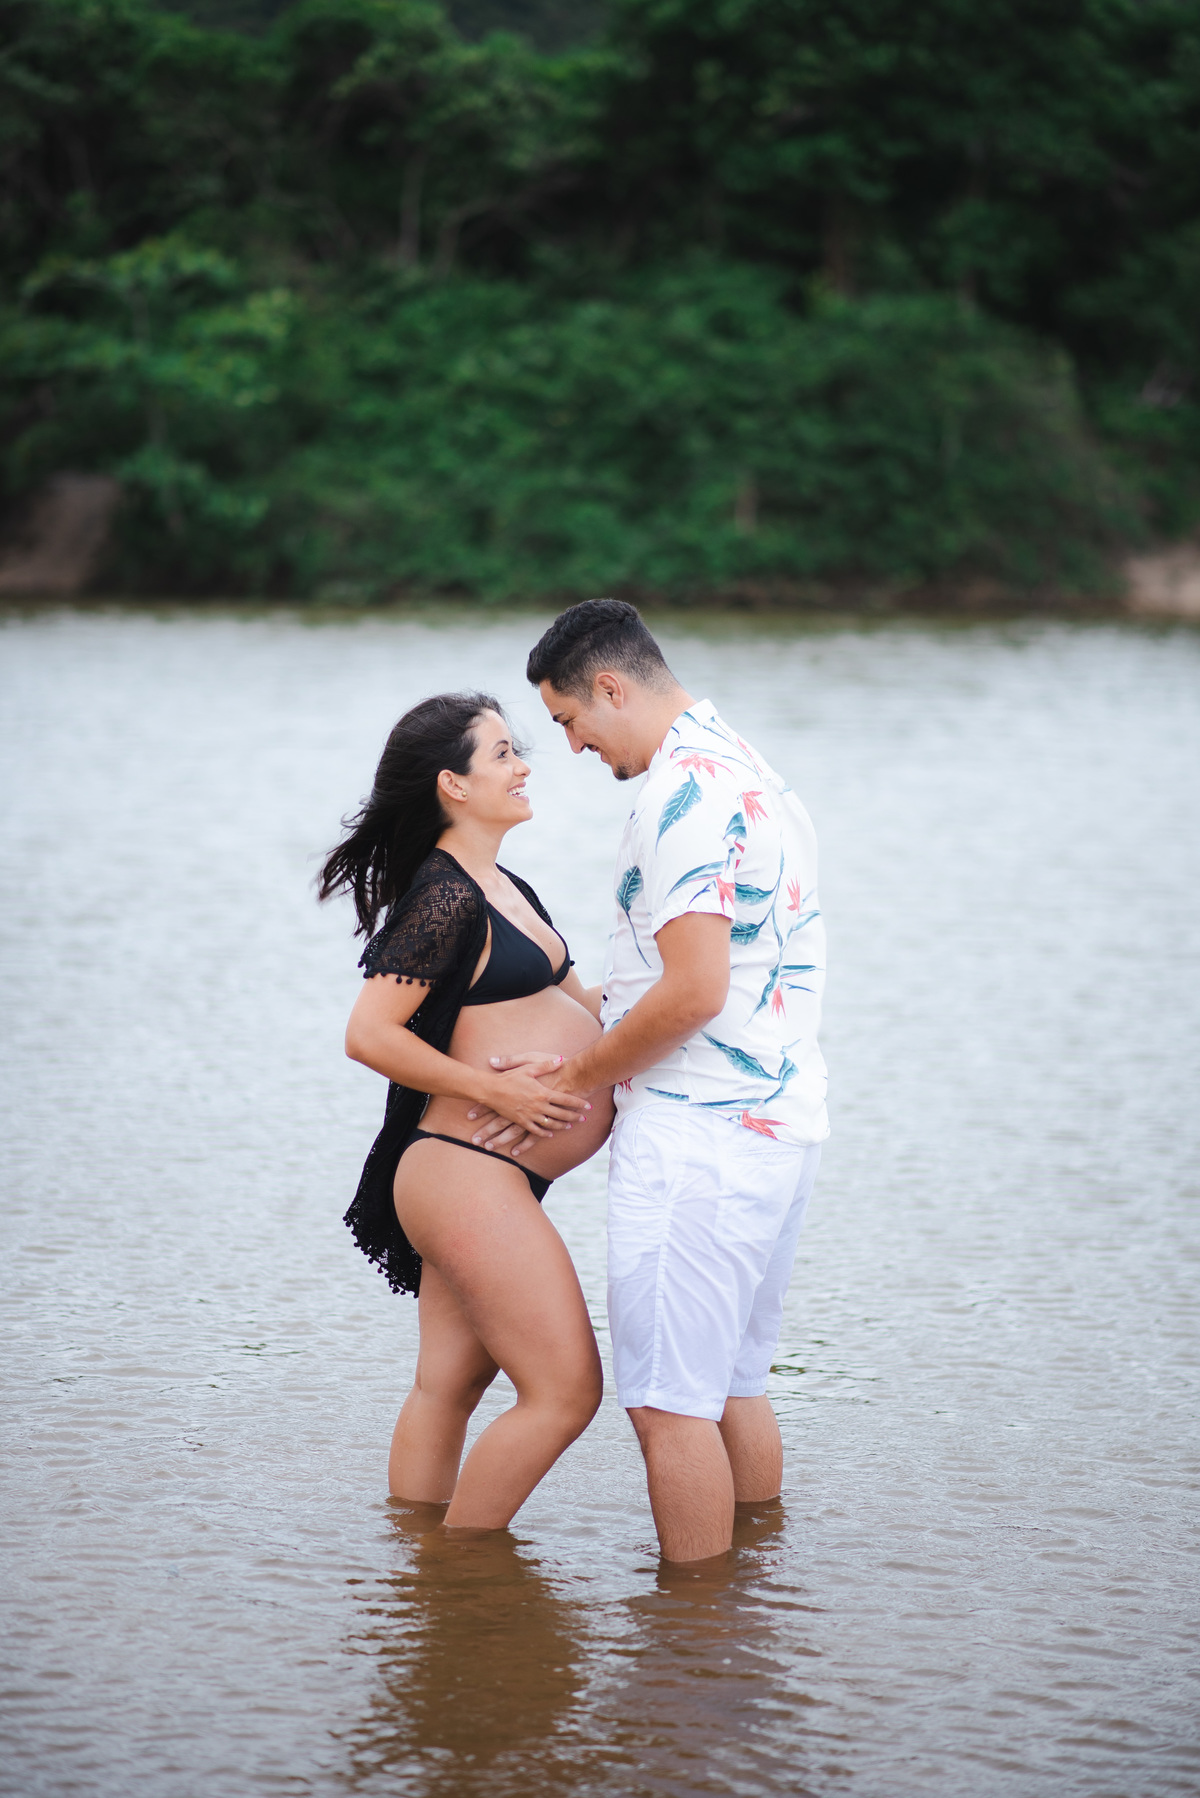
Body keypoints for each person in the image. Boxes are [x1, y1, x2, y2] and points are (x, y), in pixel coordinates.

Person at [469, 603, 828, 1563]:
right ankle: (748, 1613)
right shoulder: (749, 769)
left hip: (702, 1138)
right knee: (733, 1386)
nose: (573, 747)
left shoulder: (683, 796)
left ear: (612, 688)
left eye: (569, 721)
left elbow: (695, 990)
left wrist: (579, 1078)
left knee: (670, 1411)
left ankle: (691, 1668)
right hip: (777, 1123)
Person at [318, 692, 613, 1529]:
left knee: (447, 1387)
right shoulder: (444, 898)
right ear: (453, 783)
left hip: (482, 1177)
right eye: (503, 754)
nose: (525, 767)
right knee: (564, 1392)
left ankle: (417, 1576)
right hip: (466, 1172)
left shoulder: (505, 884)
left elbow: (577, 999)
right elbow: (369, 1033)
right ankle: (465, 1578)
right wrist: (500, 1089)